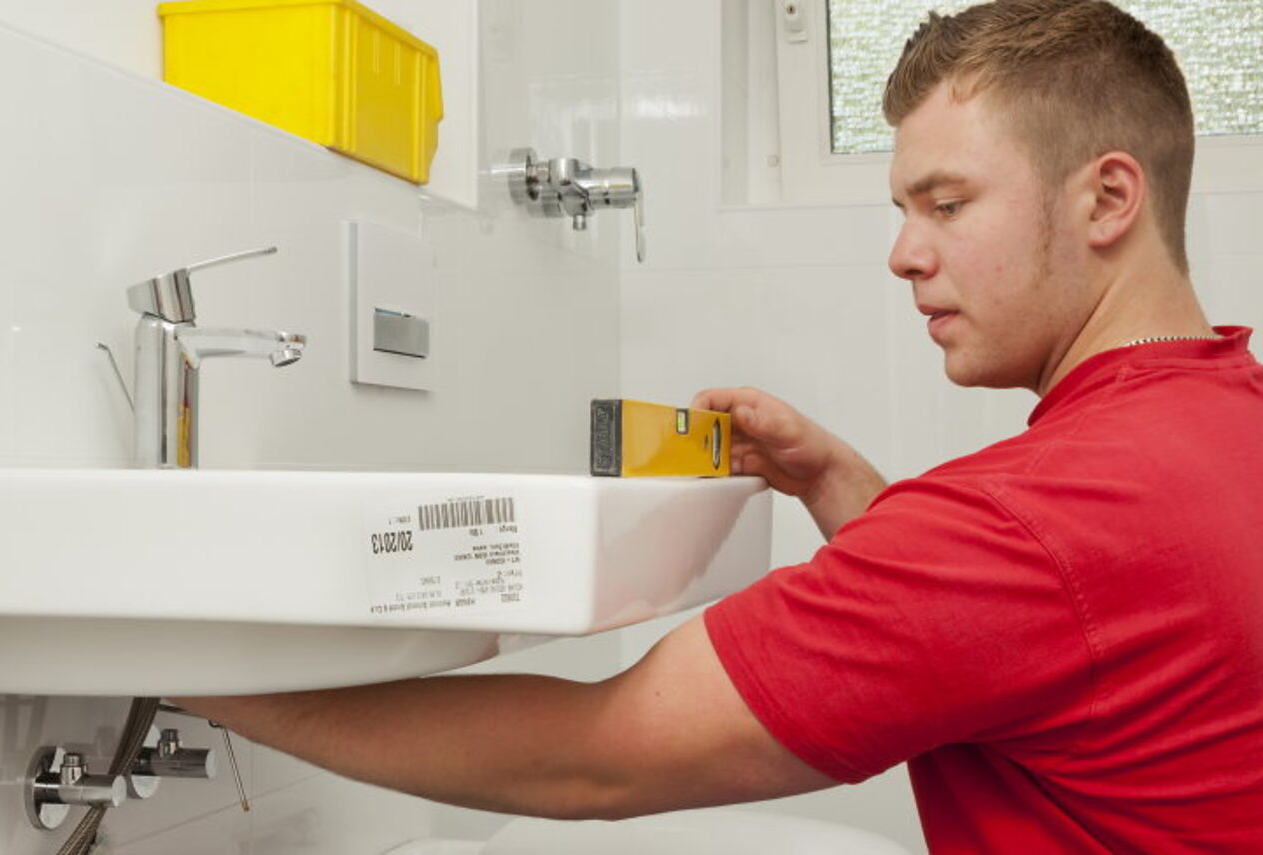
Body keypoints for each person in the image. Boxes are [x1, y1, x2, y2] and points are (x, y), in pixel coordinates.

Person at [179, 0, 1263, 849]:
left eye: (944, 203)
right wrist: (834, 479)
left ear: (1106, 200)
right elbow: (1039, 635)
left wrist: (211, 680)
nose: (902, 253)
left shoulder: (1033, 521)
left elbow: (594, 760)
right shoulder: (1220, 419)